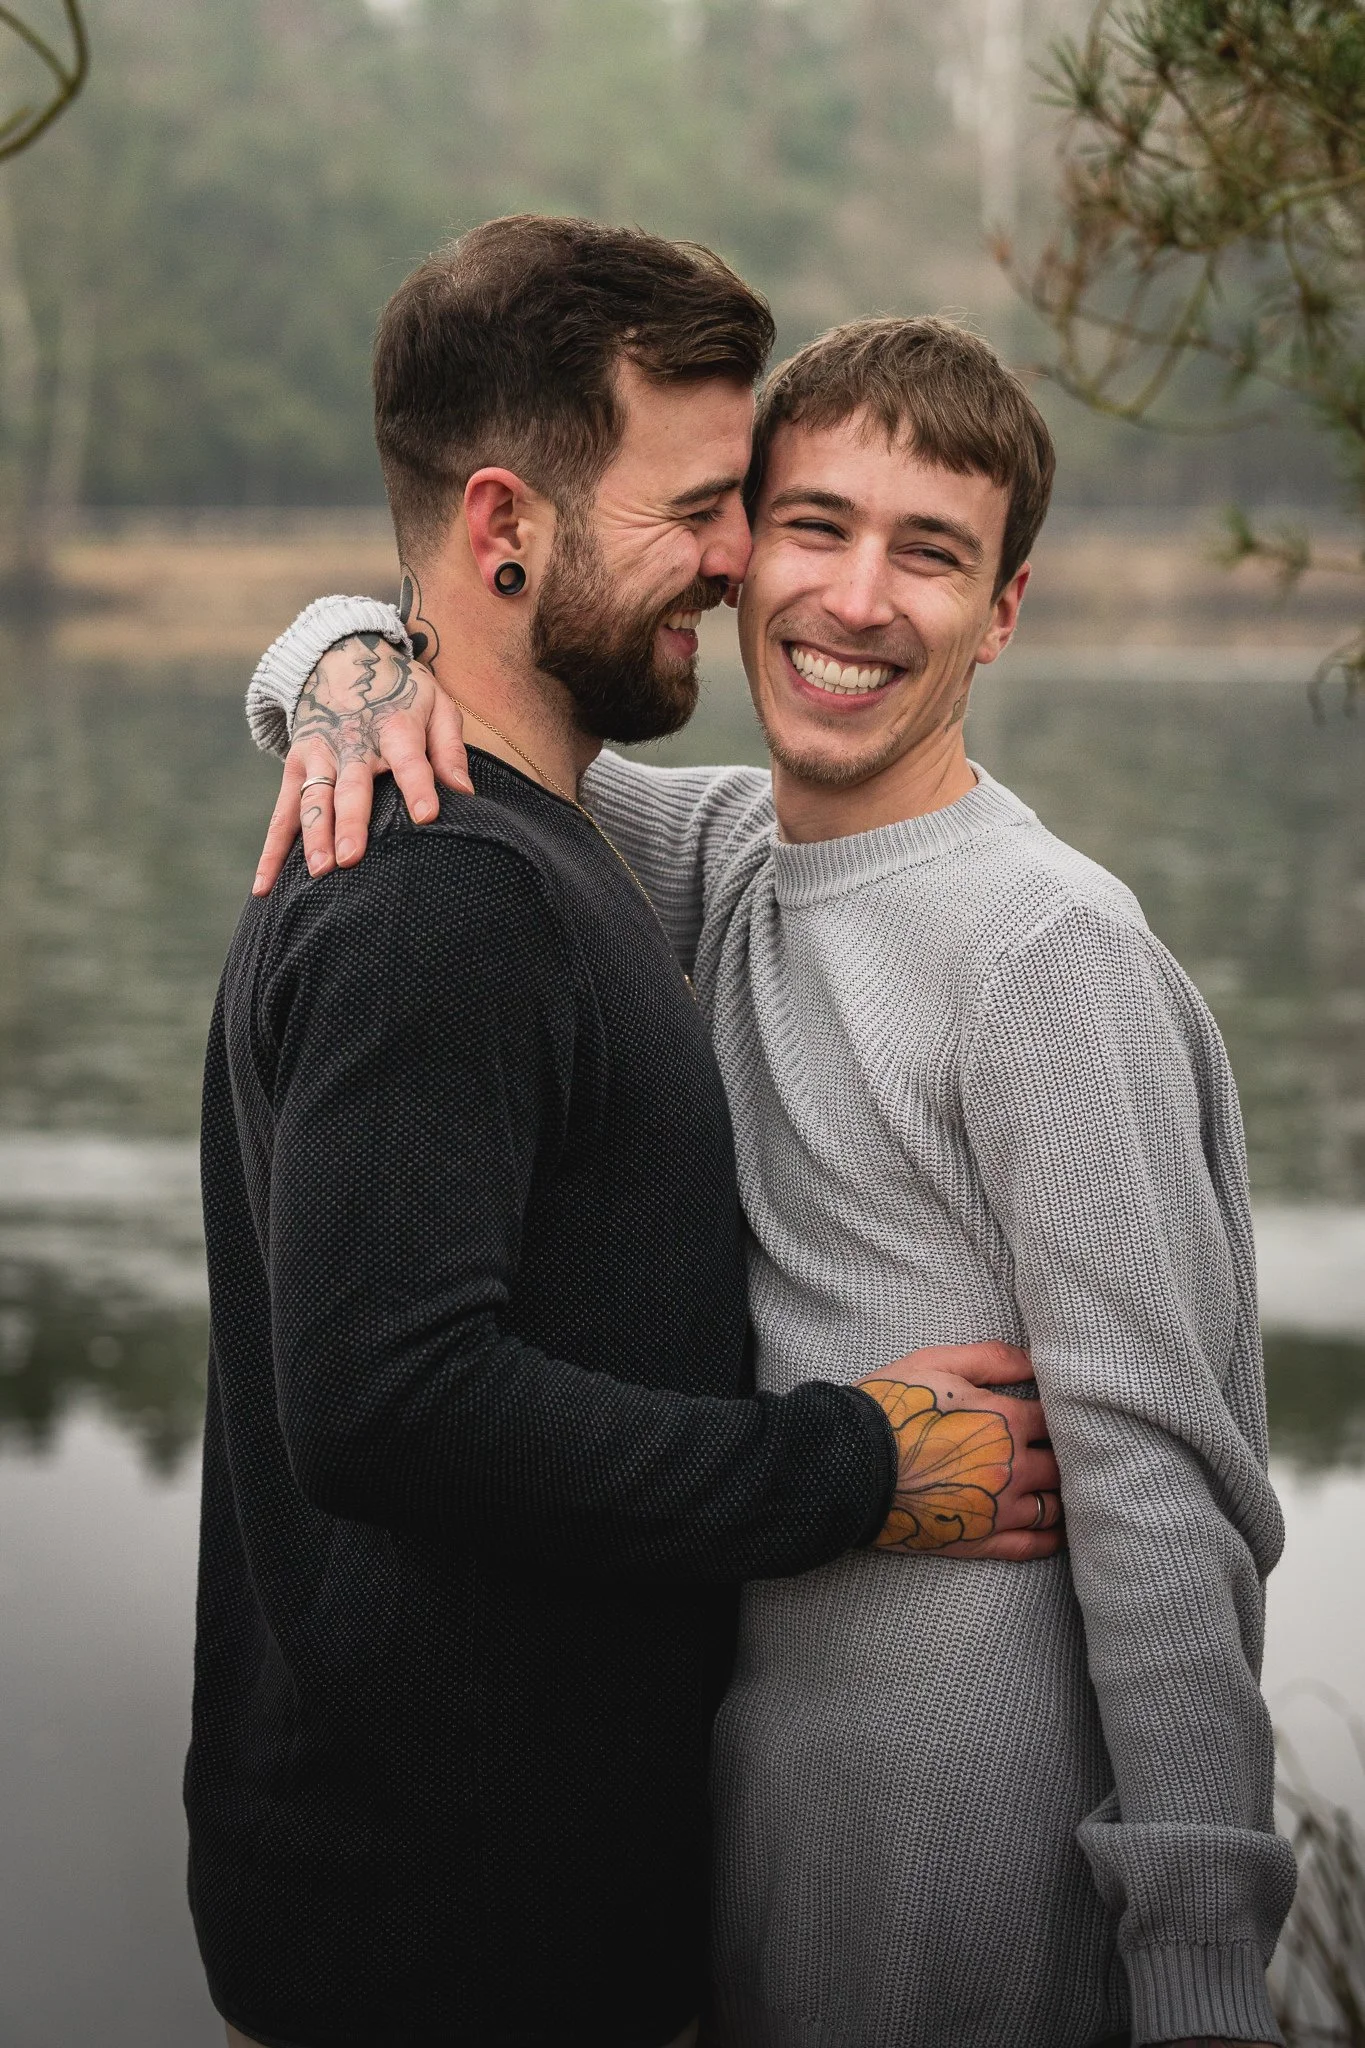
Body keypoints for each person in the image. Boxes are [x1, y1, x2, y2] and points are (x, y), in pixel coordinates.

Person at [251, 309, 1296, 2047]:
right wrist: (348, 670)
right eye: (814, 525)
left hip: (981, 1880)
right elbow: (461, 702)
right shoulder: (722, 855)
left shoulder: (1049, 950)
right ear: (735, 560)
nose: (856, 598)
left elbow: (1165, 1499)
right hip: (747, 1864)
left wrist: (1198, 1977)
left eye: (931, 553)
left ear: (1004, 611)